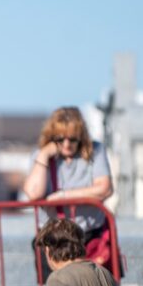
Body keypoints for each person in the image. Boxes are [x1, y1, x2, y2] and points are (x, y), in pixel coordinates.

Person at [22, 107, 115, 266]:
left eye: (72, 139)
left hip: (89, 237)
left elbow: (104, 189)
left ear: (81, 136)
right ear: (51, 137)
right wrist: (44, 155)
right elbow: (33, 193)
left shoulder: (96, 151)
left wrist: (64, 196)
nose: (66, 144)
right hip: (52, 240)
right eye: (60, 139)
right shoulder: (40, 155)